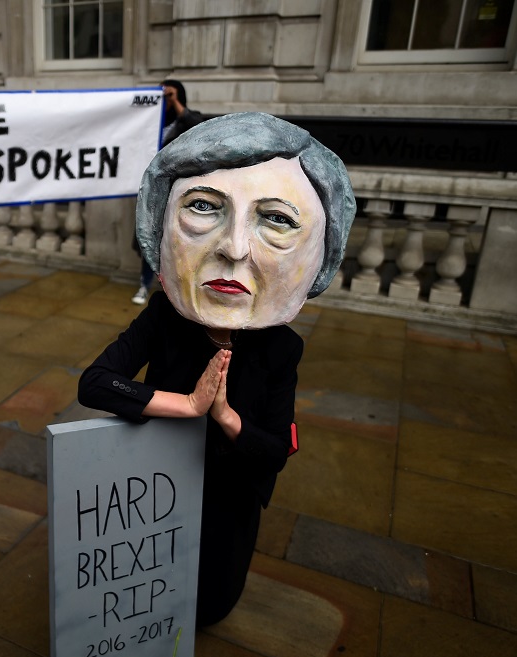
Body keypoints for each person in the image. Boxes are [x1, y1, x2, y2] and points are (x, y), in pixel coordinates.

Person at [80, 112, 356, 627]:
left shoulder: (280, 350)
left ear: (319, 260)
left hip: (231, 495)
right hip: (155, 483)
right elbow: (96, 383)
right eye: (204, 208)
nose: (233, 248)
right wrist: (185, 405)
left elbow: (275, 449)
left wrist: (226, 416)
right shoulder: (164, 318)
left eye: (276, 219)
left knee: (212, 596)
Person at [132, 79, 205, 305]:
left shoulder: (187, 120)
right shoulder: (152, 122)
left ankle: (176, 289)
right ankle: (145, 285)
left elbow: (198, 128)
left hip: (177, 191)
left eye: (169, 95)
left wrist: (175, 103)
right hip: (153, 191)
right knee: (149, 238)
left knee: (177, 240)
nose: (165, 99)